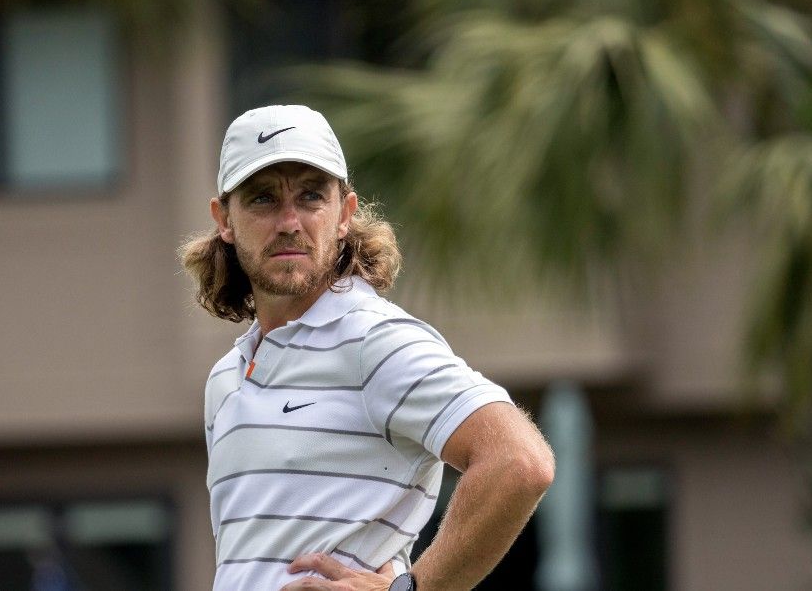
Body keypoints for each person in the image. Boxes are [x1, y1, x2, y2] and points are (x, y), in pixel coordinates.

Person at [180, 105, 555, 591]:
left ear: (344, 214)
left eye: (312, 196)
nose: (290, 221)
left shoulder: (376, 341)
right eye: (262, 199)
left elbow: (519, 462)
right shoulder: (226, 379)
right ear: (223, 219)